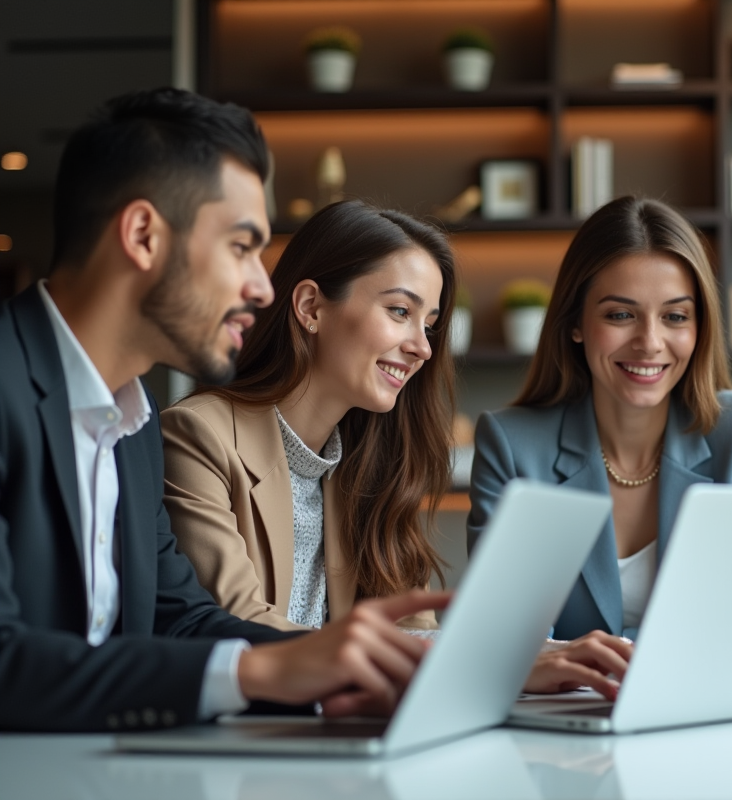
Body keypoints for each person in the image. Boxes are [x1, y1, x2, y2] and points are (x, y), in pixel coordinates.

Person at [0, 88, 451, 732]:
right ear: (143, 235)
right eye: (242, 246)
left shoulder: (135, 424)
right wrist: (259, 672)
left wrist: (352, 663)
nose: (261, 286)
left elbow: (179, 619)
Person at [162, 199, 631, 699]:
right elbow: (239, 631)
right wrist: (486, 664)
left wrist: (516, 654)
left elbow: (410, 626)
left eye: (428, 324)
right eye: (400, 312)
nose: (423, 347)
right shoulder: (198, 436)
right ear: (310, 308)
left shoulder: (370, 460)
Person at [468, 196, 732, 641]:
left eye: (675, 316)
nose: (650, 342)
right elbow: (501, 634)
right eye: (620, 315)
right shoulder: (512, 446)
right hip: (567, 706)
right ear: (575, 322)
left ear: (700, 327)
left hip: (704, 706)